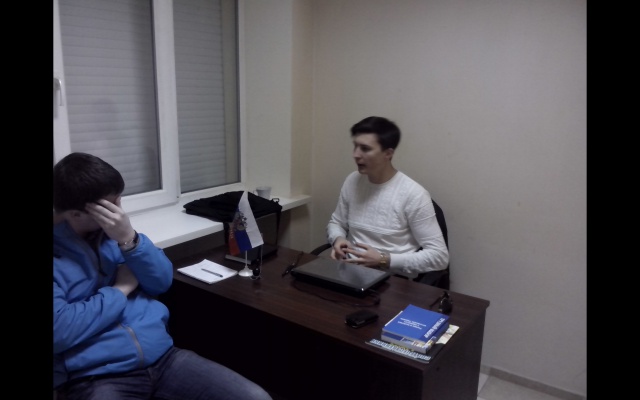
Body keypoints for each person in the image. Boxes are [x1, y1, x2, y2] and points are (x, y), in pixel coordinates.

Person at [53, 152, 272, 400]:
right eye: (110, 206)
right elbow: (60, 331)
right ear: (76, 214)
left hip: (164, 358)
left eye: (119, 201)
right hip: (97, 375)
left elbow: (161, 281)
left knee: (256, 397)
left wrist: (129, 240)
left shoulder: (116, 234)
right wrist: (121, 289)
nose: (119, 213)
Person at [326, 116, 449, 282]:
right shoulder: (352, 181)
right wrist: (338, 239)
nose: (355, 155)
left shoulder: (414, 194)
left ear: (388, 154)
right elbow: (336, 222)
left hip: (393, 281)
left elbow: (439, 257)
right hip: (350, 272)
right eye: (355, 146)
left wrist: (384, 260)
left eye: (365, 149)